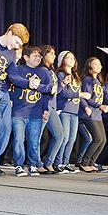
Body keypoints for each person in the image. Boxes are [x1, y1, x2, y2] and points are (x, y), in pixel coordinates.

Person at [0, 23, 30, 176]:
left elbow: (13, 75)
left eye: (19, 45)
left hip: (3, 92)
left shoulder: (11, 54)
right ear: (9, 32)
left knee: (6, 129)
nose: (16, 47)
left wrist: (29, 83)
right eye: (16, 42)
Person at [10, 46, 50, 176]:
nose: (38, 58)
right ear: (26, 57)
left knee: (34, 141)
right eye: (35, 55)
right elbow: (12, 84)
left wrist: (45, 109)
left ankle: (32, 164)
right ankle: (19, 165)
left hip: (35, 113)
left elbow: (48, 91)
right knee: (18, 140)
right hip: (19, 112)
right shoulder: (18, 69)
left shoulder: (44, 72)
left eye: (39, 56)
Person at [54, 51, 91, 173]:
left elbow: (76, 94)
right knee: (64, 138)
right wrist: (80, 94)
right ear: (63, 60)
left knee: (72, 138)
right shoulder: (60, 74)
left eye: (73, 58)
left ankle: (65, 163)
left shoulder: (75, 75)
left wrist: (84, 105)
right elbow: (63, 93)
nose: (71, 60)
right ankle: (57, 163)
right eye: (68, 57)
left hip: (74, 110)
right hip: (64, 109)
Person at [78, 57, 108, 173]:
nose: (99, 66)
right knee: (97, 138)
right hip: (89, 113)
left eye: (100, 64)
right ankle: (84, 162)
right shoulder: (88, 79)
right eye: (95, 64)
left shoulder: (98, 81)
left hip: (97, 114)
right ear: (90, 66)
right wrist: (100, 106)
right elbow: (88, 97)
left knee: (103, 139)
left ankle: (91, 162)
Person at [39, 45, 64, 174]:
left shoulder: (51, 70)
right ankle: (36, 163)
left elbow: (54, 92)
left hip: (52, 106)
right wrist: (45, 108)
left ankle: (48, 162)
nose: (54, 56)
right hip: (44, 106)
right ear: (44, 55)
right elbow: (43, 90)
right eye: (51, 54)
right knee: (37, 137)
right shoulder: (42, 70)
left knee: (59, 135)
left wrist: (62, 85)